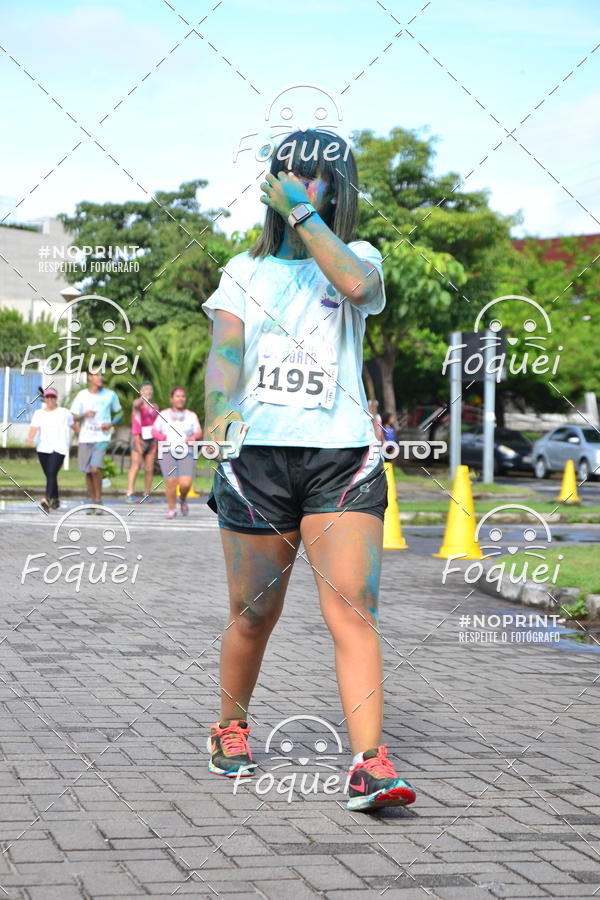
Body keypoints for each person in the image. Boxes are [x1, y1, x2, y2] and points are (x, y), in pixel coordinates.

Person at [202, 129, 416, 811]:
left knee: (354, 607)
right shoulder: (244, 270)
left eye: (316, 176)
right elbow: (226, 352)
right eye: (288, 173)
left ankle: (369, 764)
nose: (300, 183)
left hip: (341, 457)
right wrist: (216, 408)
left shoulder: (360, 258)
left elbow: (354, 283)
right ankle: (231, 726)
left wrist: (303, 214)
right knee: (254, 613)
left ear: (337, 188)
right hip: (256, 459)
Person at [70, 372, 122, 513]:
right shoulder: (82, 395)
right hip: (85, 437)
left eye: (101, 374)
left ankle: (99, 501)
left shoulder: (110, 395)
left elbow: (119, 413)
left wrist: (111, 423)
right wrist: (84, 415)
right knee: (88, 471)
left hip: (102, 437)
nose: (100, 377)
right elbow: (72, 417)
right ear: (89, 377)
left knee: (95, 468)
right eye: (96, 374)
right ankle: (92, 501)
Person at [152, 387, 202, 520]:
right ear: (171, 399)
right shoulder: (164, 414)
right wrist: (161, 437)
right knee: (171, 481)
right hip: (167, 451)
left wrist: (193, 438)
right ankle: (172, 509)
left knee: (185, 483)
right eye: (177, 396)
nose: (180, 399)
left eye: (183, 396)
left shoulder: (191, 415)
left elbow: (198, 432)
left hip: (186, 451)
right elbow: (154, 431)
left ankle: (183, 499)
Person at [27, 387, 76, 513]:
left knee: (51, 473)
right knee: (50, 475)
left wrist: (84, 436)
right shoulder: (39, 413)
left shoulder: (64, 412)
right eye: (47, 397)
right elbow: (34, 428)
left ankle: (47, 499)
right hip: (43, 448)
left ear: (56, 398)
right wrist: (30, 438)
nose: (50, 399)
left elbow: (73, 425)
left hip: (59, 448)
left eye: (52, 397)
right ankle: (56, 500)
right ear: (44, 398)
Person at [127, 381, 159, 503]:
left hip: (151, 439)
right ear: (140, 391)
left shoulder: (155, 406)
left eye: (150, 389)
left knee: (149, 468)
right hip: (138, 438)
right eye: (145, 389)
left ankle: (147, 493)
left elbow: (156, 424)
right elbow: (135, 404)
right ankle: (130, 493)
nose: (148, 391)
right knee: (135, 465)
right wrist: (143, 398)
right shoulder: (138, 405)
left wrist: (156, 442)